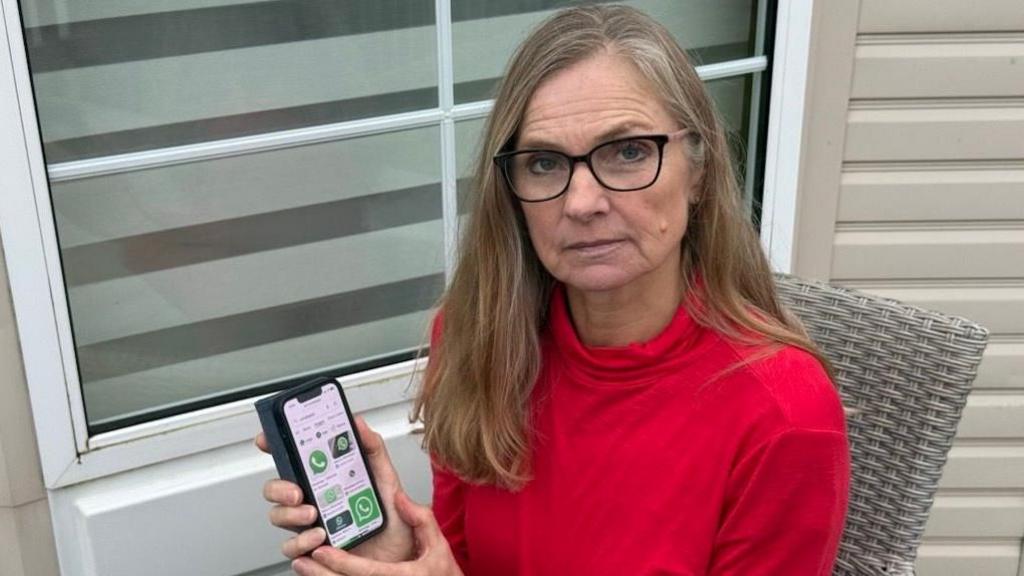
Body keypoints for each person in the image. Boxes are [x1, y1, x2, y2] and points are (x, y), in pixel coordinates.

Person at [257, 5, 850, 575]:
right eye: (543, 163)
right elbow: (465, 557)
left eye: (628, 152)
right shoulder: (478, 338)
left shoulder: (784, 416)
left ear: (698, 170)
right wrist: (399, 552)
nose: (582, 203)